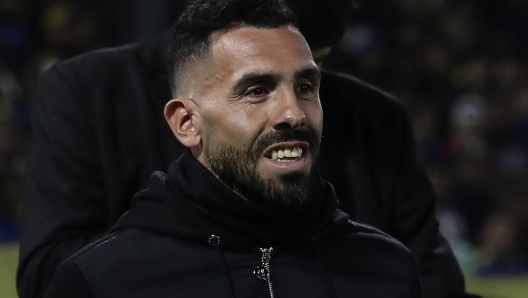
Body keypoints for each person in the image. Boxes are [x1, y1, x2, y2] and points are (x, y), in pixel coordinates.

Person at [18, 1, 471, 298]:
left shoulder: (378, 122)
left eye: (311, 77)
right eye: (257, 86)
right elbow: (50, 271)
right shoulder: (90, 91)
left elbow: (429, 277)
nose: (291, 112)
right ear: (185, 120)